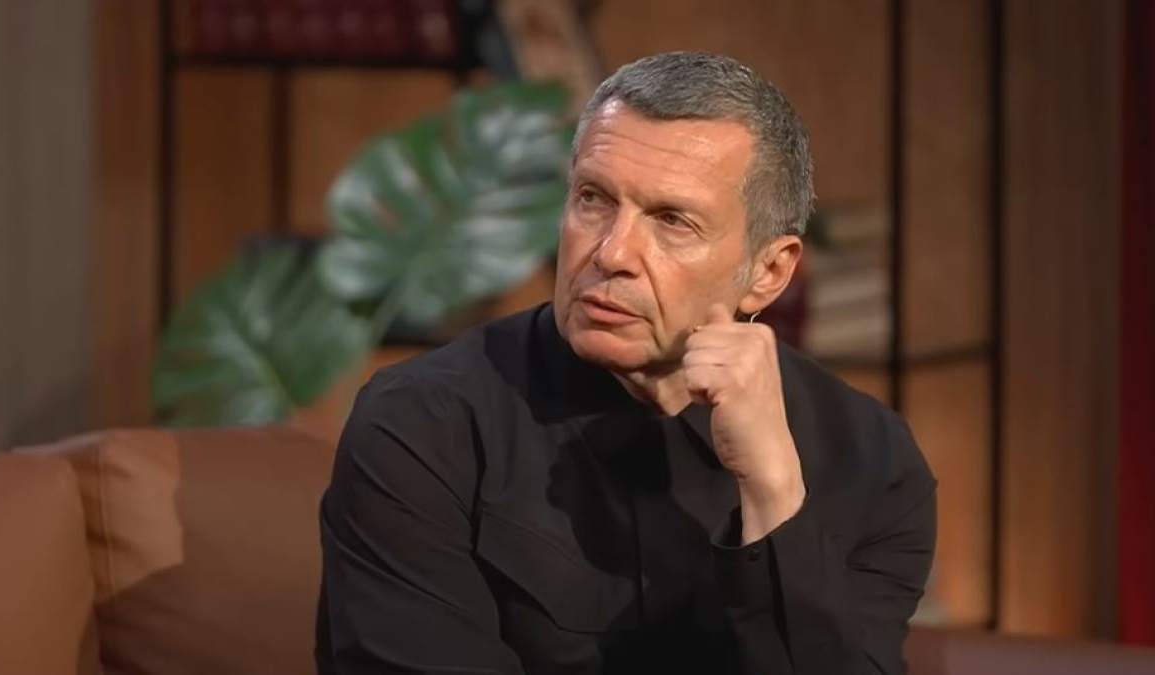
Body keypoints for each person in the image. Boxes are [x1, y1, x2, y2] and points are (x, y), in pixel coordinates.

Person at [315, 51, 937, 675]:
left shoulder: (873, 462)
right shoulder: (424, 424)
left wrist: (772, 493)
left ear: (768, 273)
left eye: (672, 221)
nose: (612, 253)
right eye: (594, 198)